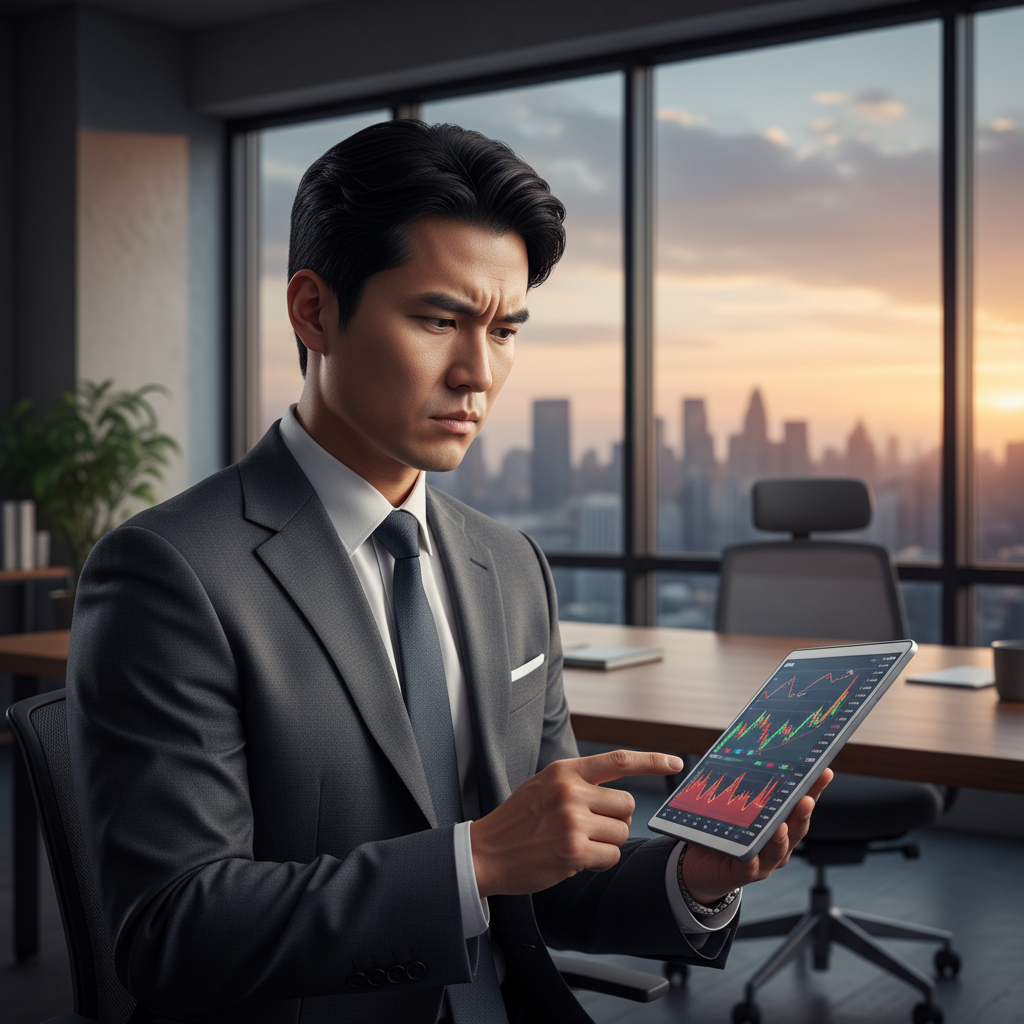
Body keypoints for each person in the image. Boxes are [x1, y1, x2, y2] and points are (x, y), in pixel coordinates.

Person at [67, 120, 831, 1024]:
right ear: (314, 311)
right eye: (440, 319)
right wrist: (474, 860)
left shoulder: (508, 566)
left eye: (505, 329)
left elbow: (545, 870)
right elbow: (173, 931)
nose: (478, 372)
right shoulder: (171, 572)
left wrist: (696, 876)